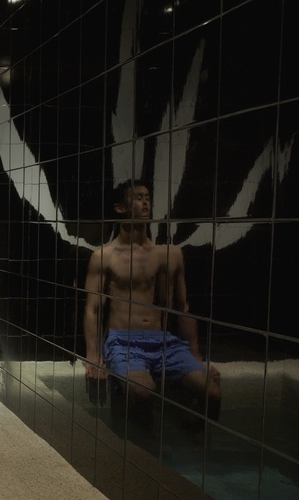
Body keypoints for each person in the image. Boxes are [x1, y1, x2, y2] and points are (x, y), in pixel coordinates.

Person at [83, 180, 220, 426]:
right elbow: (93, 309)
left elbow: (182, 307)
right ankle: (144, 451)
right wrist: (93, 357)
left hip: (163, 342)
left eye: (147, 197)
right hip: (123, 341)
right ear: (119, 208)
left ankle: (187, 444)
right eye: (137, 197)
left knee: (212, 393)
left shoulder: (168, 255)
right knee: (141, 391)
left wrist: (197, 355)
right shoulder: (104, 256)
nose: (145, 202)